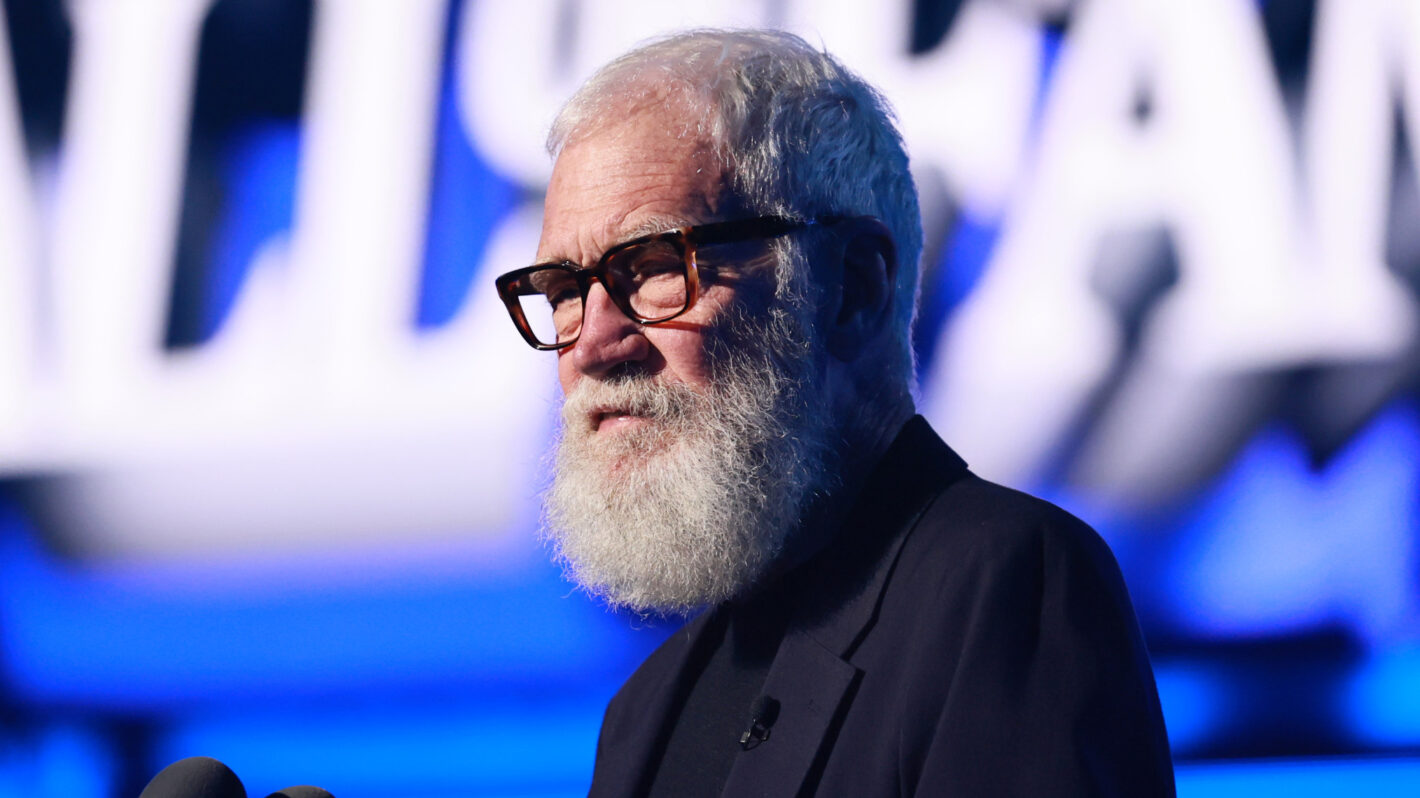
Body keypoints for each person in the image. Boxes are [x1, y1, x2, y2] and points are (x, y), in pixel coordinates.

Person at [494, 28, 1175, 797]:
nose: (594, 344)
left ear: (851, 288)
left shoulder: (1009, 584)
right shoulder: (643, 713)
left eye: (653, 268)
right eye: (561, 293)